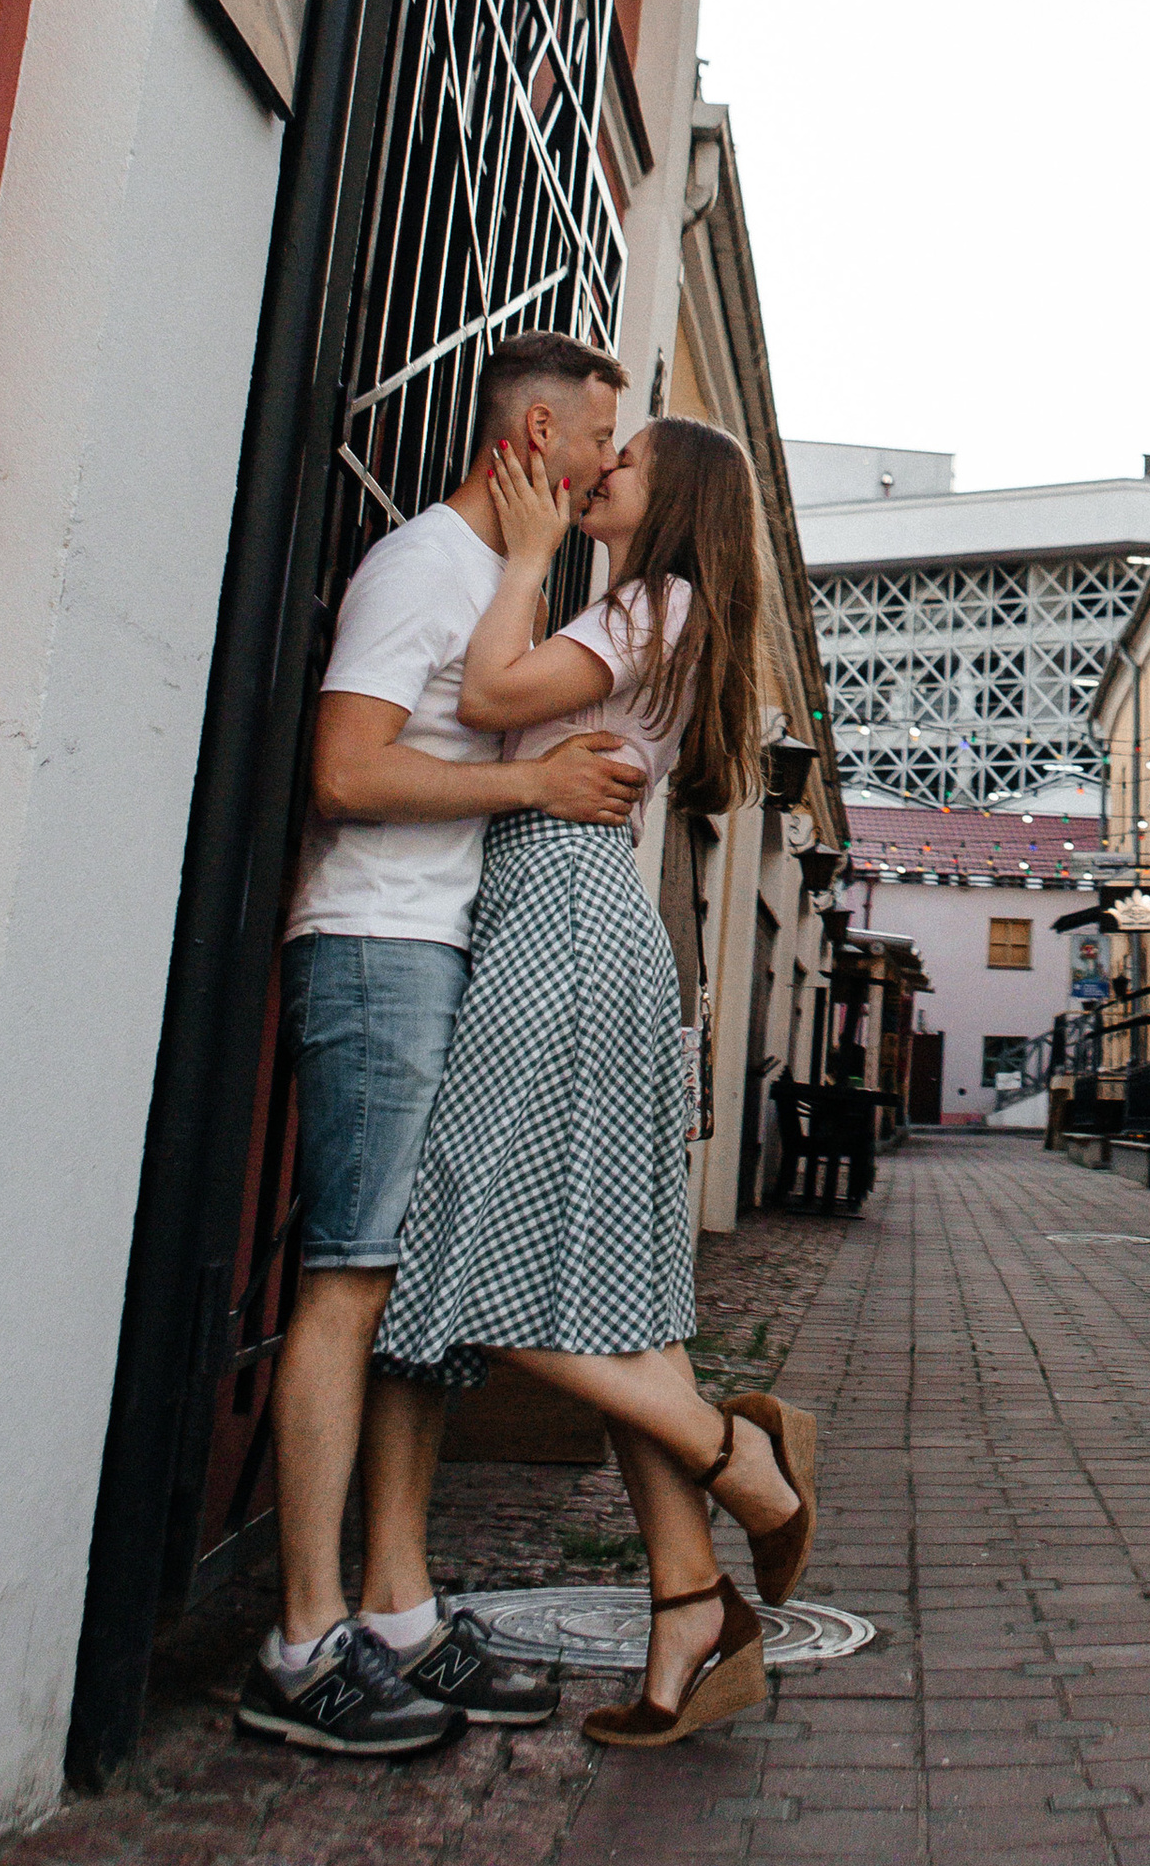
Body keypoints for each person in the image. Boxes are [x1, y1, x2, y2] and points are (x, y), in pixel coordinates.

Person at [375, 416, 819, 1750]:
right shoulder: (668, 613)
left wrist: (520, 556)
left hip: (558, 926)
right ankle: (690, 1608)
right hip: (581, 921)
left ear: (670, 495)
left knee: (452, 1263)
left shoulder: (650, 600)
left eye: (623, 461)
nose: (596, 472)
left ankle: (743, 1461)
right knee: (616, 1290)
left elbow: (490, 697)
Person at [238, 332, 643, 1761]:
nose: (608, 467)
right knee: (351, 1278)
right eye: (600, 438)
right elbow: (344, 768)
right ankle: (300, 1642)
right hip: (376, 941)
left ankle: (398, 1610)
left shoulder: (503, 591)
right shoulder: (422, 565)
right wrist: (533, 781)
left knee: (409, 1296)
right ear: (533, 438)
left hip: (449, 949)